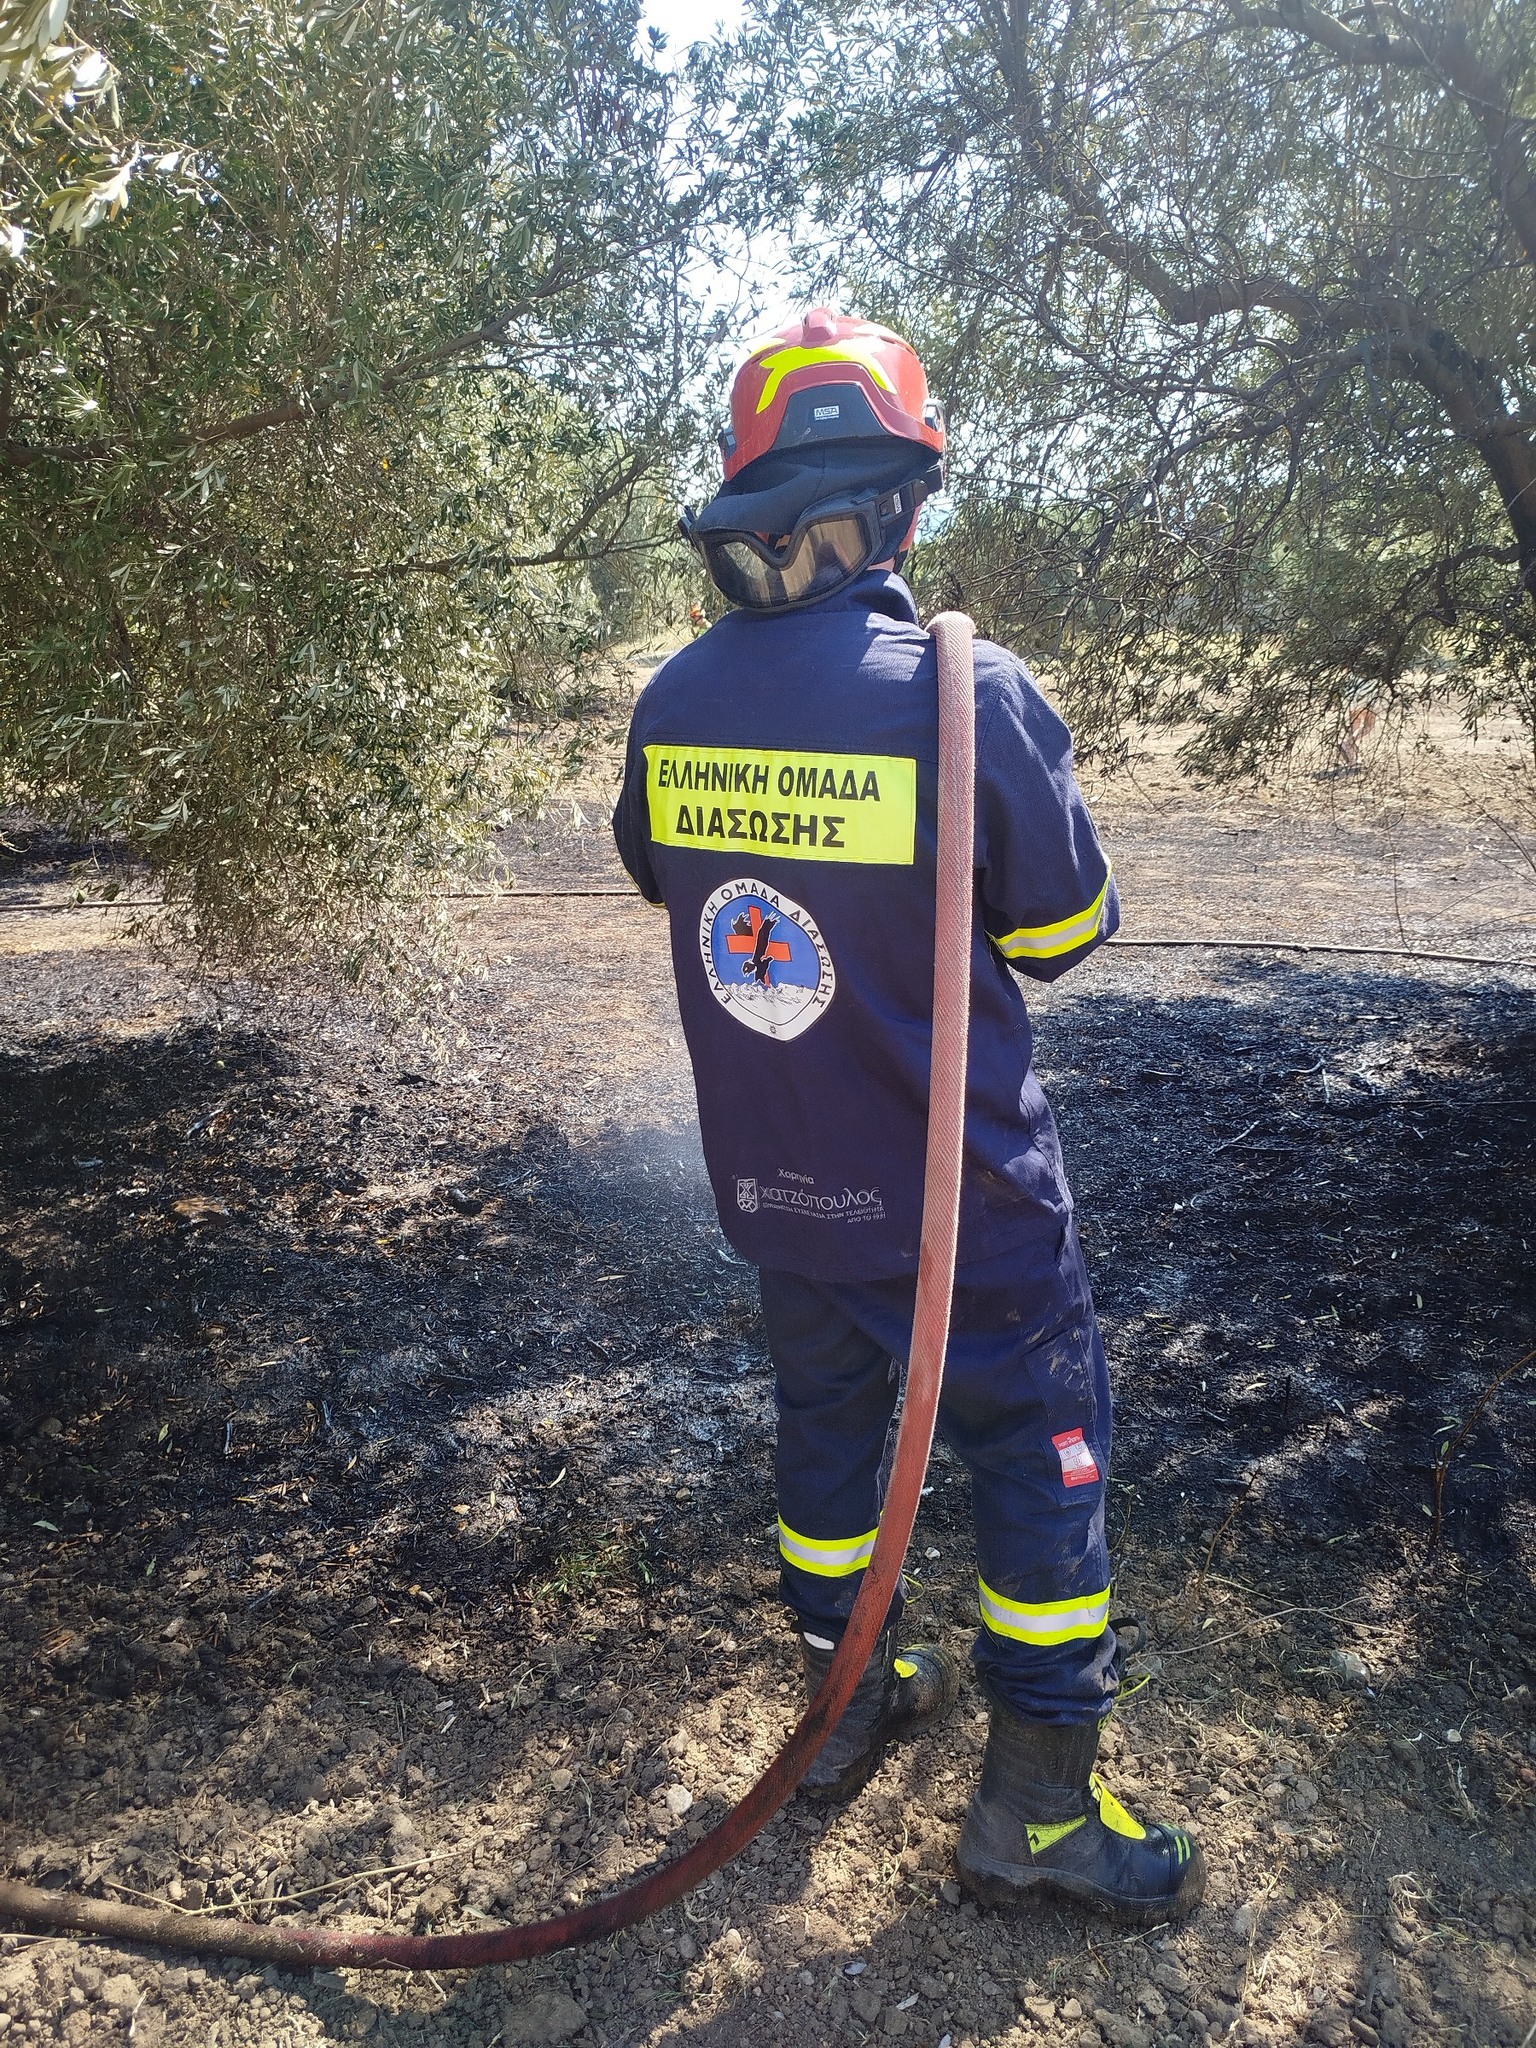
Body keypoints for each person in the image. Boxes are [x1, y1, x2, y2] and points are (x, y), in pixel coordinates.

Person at [612, 308, 1204, 1926]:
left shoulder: (673, 701)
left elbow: (665, 878)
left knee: (825, 1434)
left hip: (777, 1185)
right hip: (965, 1210)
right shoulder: (967, 693)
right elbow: (1062, 933)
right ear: (897, 506)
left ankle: (844, 1704)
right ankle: (1038, 1812)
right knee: (1037, 1457)